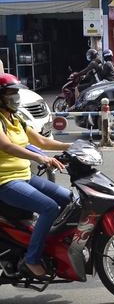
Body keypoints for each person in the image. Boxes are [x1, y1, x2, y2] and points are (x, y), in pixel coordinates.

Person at [0, 74, 71, 280]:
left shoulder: (17, 119)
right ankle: (32, 260)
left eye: (16, 93)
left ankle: (54, 245)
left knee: (69, 199)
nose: (15, 98)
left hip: (24, 176)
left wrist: (74, 146)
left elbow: (42, 141)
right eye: (10, 94)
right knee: (49, 207)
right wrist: (40, 158)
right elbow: (7, 146)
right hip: (6, 181)